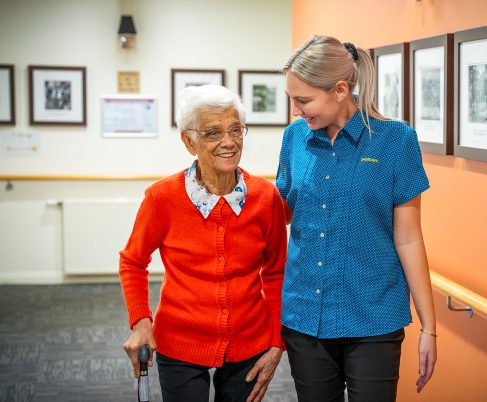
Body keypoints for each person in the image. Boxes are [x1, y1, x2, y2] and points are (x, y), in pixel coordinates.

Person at [276, 35, 437, 402]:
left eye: (303, 100)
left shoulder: (396, 141)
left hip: (373, 319)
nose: (297, 110)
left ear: (340, 90)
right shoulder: (294, 139)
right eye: (292, 100)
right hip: (305, 317)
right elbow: (280, 213)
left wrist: (430, 326)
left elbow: (409, 238)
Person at [120, 84, 287, 402]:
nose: (229, 142)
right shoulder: (162, 198)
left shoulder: (266, 197)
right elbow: (132, 261)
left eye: (236, 129)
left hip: (250, 342)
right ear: (189, 141)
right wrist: (142, 322)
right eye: (213, 133)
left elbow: (277, 273)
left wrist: (277, 341)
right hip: (180, 340)